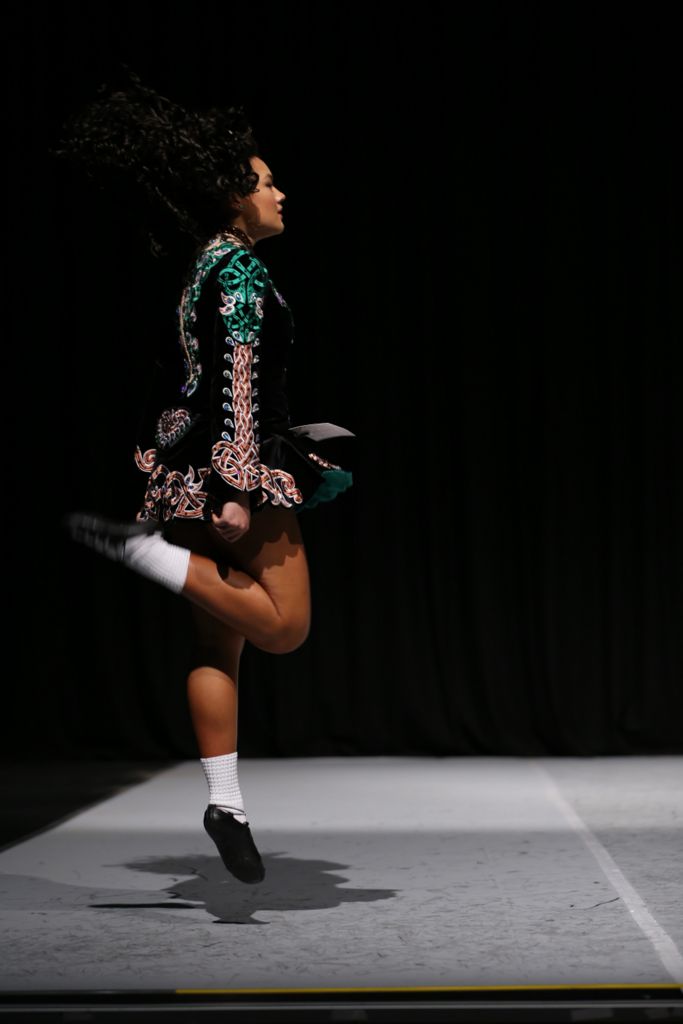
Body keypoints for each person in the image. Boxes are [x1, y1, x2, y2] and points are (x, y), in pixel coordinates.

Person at [52, 68, 354, 884]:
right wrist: (234, 486)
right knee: (284, 628)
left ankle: (226, 804)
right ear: (231, 198)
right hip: (232, 467)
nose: (280, 192)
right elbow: (236, 378)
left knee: (215, 641)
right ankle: (144, 554)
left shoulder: (200, 266)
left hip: (181, 465)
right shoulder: (242, 270)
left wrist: (176, 465)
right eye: (265, 182)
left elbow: (183, 378)